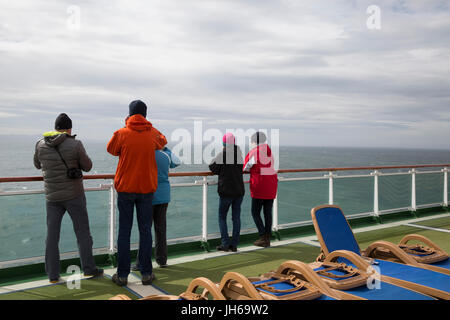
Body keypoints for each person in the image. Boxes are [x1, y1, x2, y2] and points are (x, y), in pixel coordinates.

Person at [33, 113, 103, 283]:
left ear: (55, 128)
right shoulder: (75, 144)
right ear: (69, 128)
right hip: (74, 195)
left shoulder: (40, 144)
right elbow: (88, 166)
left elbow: (37, 165)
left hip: (52, 197)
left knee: (52, 235)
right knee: (82, 232)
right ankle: (88, 269)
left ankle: (53, 275)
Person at [107, 100, 167, 286]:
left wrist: (127, 125)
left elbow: (111, 149)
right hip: (146, 189)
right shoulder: (152, 133)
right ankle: (147, 273)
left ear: (129, 114)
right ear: (145, 114)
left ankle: (122, 275)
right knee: (145, 231)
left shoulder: (121, 133)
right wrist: (148, 126)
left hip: (126, 188)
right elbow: (163, 142)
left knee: (124, 231)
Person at [132, 146, 181, 270]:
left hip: (148, 196)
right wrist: (166, 149)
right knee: (161, 229)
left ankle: (141, 262)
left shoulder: (144, 153)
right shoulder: (165, 155)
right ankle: (162, 260)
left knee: (145, 230)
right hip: (164, 196)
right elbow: (177, 162)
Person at [209, 133, 245, 252]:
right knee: (236, 218)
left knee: (222, 217)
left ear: (224, 143)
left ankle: (225, 244)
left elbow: (213, 168)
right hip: (239, 191)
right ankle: (234, 245)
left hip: (226, 191)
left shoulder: (223, 154)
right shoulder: (239, 155)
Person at [243, 131, 278, 248]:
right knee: (268, 212)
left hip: (260, 185)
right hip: (271, 184)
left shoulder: (254, 152)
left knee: (255, 212)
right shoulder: (269, 152)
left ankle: (263, 236)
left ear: (254, 141)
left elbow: (246, 167)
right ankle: (267, 237)